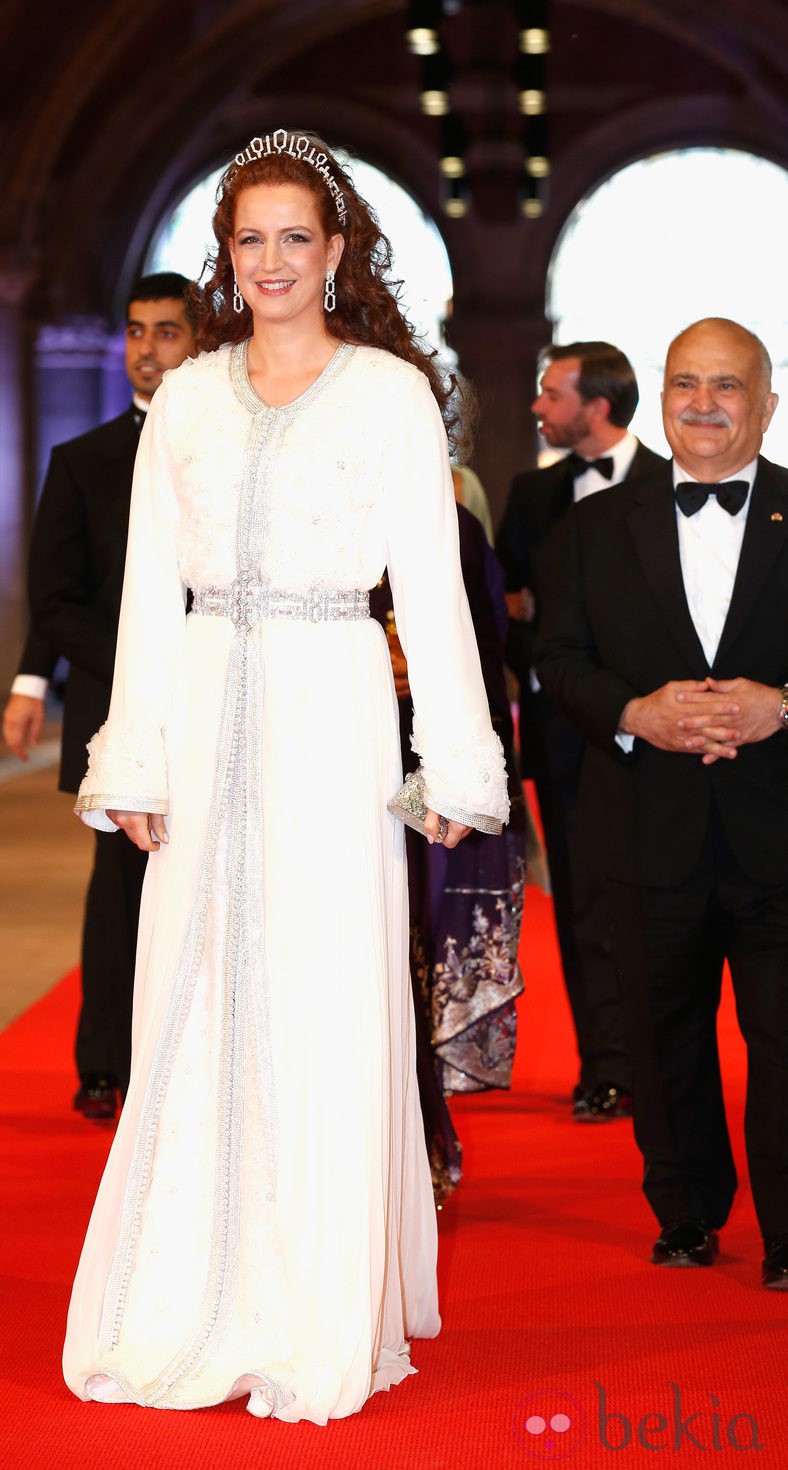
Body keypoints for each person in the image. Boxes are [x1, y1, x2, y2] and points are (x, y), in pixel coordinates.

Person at [61, 128, 509, 1422]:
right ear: (225, 257)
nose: (270, 261)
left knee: (320, 992)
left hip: (331, 707)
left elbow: (431, 591)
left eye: (293, 238)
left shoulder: (387, 396)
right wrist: (131, 750)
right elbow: (147, 588)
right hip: (205, 705)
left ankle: (312, 1306)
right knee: (193, 991)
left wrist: (457, 766)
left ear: (338, 251)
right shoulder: (190, 398)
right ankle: (184, 1296)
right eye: (247, 239)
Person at [535, 317, 788, 1290]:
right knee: (661, 1037)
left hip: (777, 835)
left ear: (764, 404)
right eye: (685, 382)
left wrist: (781, 706)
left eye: (726, 385)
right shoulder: (592, 526)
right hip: (642, 826)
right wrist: (634, 710)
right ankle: (682, 1215)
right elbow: (556, 660)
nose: (701, 403)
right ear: (661, 396)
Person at [2, 272, 197, 1120]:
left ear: (201, 343)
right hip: (122, 711)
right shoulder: (79, 462)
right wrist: (41, 678)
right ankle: (107, 1065)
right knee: (118, 892)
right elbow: (55, 600)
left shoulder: (226, 451)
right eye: (134, 332)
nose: (146, 351)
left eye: (166, 333)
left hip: (226, 706)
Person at [496, 341, 664, 1121]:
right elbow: (506, 608)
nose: (537, 406)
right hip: (566, 732)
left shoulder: (674, 482)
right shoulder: (532, 495)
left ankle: (667, 1066)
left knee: (666, 907)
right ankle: (608, 1068)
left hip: (665, 733)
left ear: (596, 406)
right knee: (583, 909)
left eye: (551, 393)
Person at [371, 504, 525, 1202]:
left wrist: (484, 788)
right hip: (313, 760)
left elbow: (482, 650)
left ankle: (419, 1144)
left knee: (410, 949)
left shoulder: (448, 521)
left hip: (416, 771)